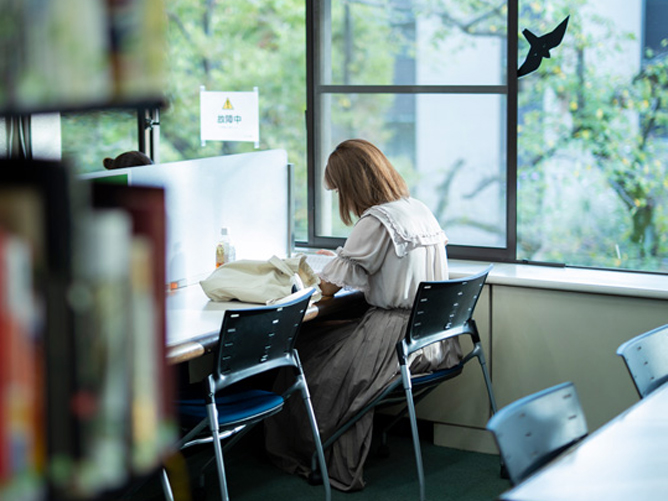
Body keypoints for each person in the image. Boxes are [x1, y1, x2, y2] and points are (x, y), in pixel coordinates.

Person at [265, 139, 462, 491]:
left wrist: (331, 266)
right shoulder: (416, 209)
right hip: (432, 336)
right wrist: (342, 259)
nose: (340, 197)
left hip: (393, 338)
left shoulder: (376, 220)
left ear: (352, 184)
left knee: (307, 364)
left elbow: (327, 290)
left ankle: (312, 454)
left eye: (339, 188)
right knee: (320, 343)